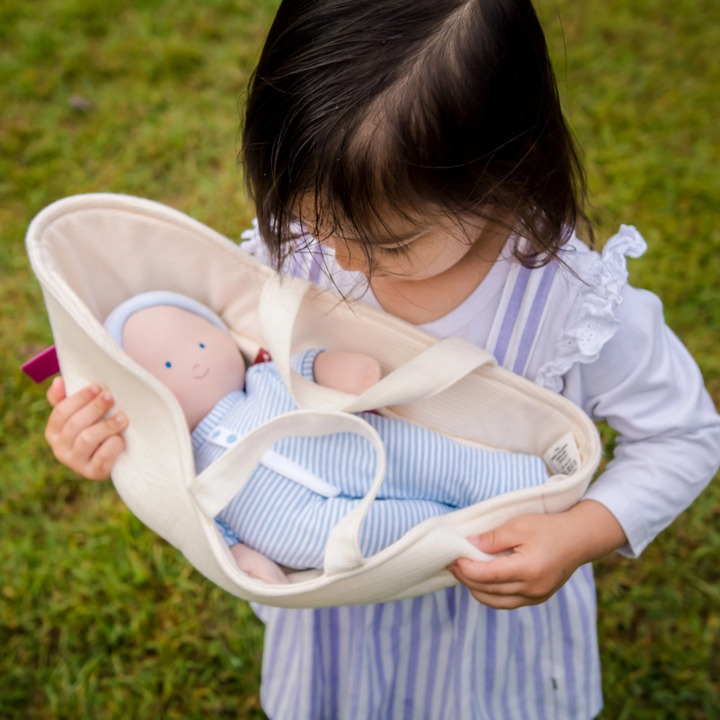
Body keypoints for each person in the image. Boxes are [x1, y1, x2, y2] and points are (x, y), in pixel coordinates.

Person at [43, 0, 720, 717]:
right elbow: (224, 383)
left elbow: (684, 437)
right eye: (314, 218)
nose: (337, 256)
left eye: (390, 243)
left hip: (486, 621)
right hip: (337, 607)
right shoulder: (298, 256)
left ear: (505, 170)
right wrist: (116, 432)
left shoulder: (576, 310)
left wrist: (580, 534)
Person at [106, 292, 549, 580]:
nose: (195, 364)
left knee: (432, 461)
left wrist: (338, 371)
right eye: (165, 369)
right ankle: (467, 537)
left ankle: (526, 485)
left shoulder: (263, 379)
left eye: (202, 345)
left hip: (355, 447)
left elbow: (304, 372)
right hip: (307, 529)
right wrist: (243, 558)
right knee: (408, 533)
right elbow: (207, 524)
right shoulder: (188, 467)